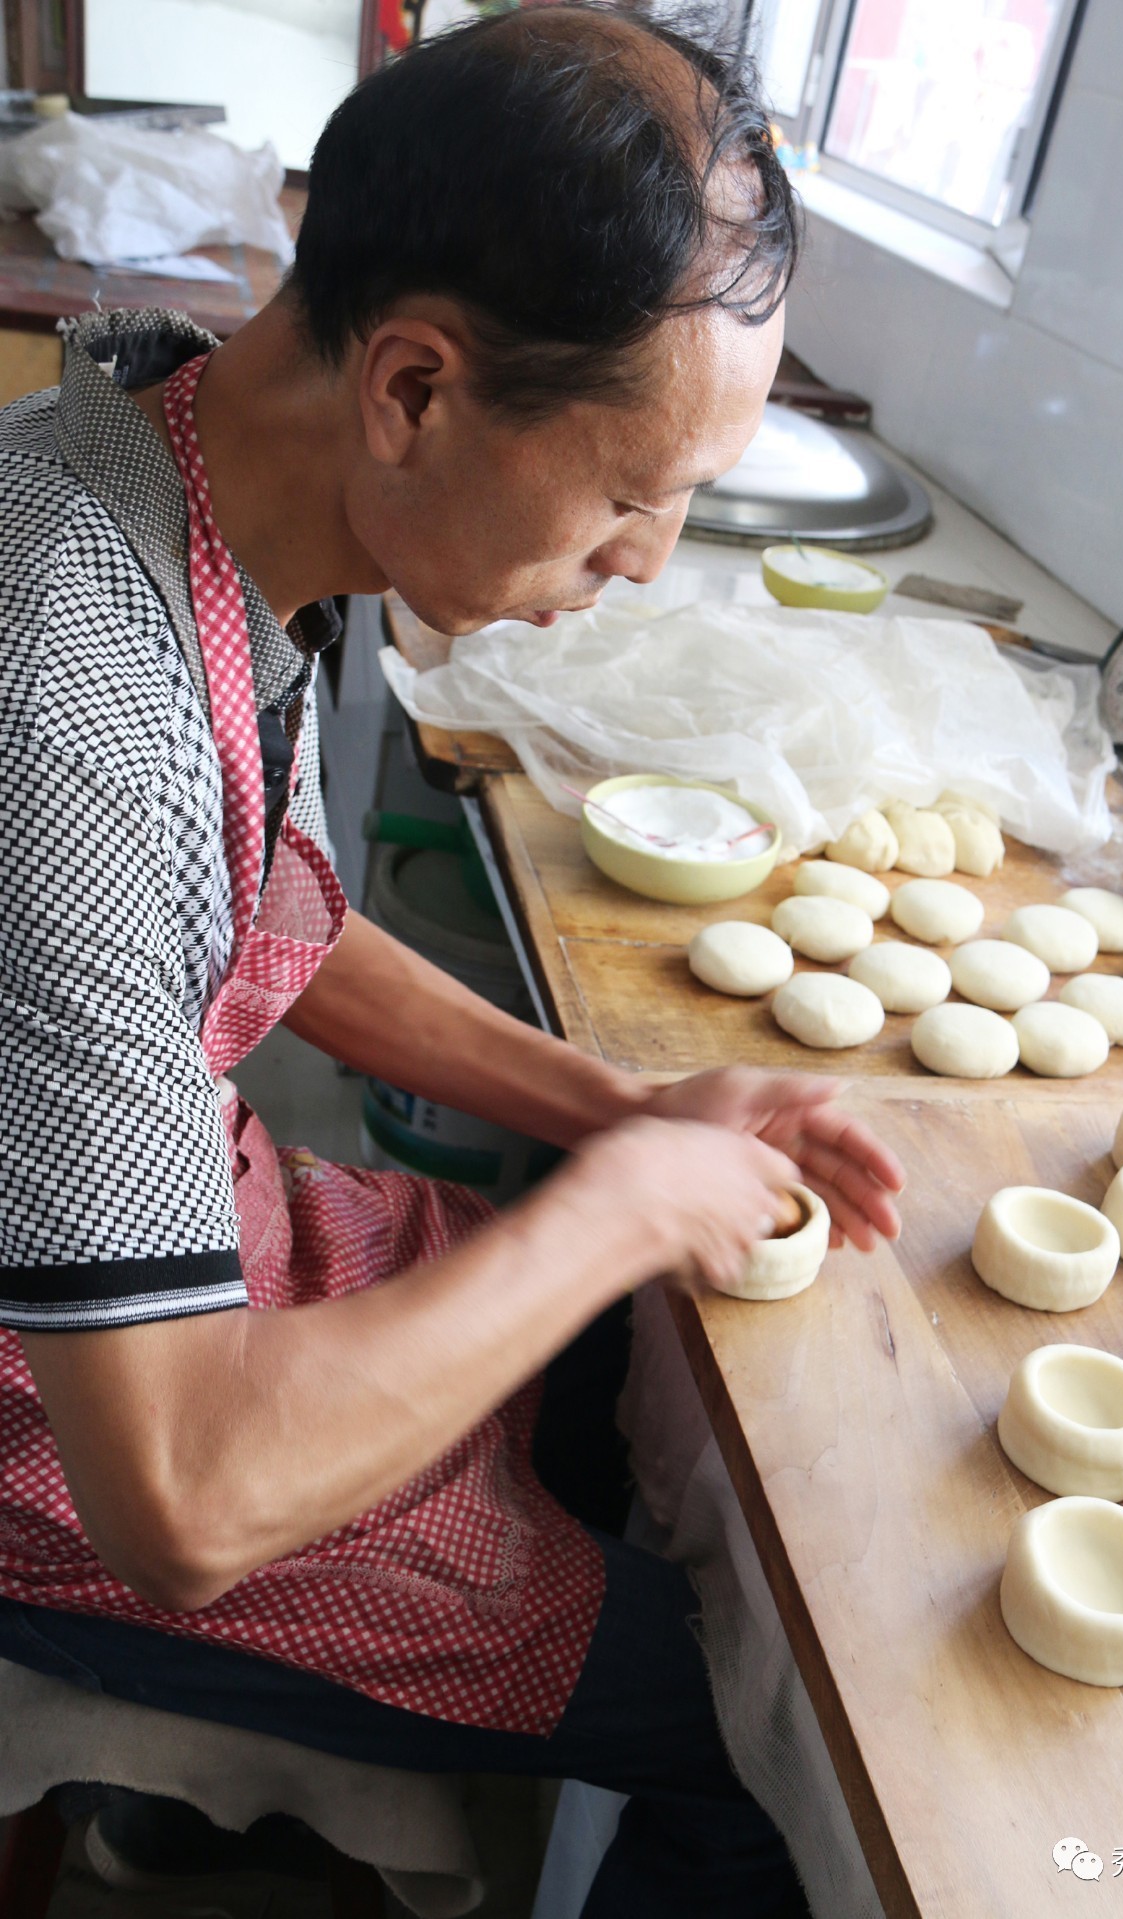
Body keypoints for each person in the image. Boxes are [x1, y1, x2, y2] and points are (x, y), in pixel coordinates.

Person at [0, 6, 905, 1912]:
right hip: (74, 1444)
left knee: (605, 1377)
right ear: (414, 389)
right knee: (761, 1718)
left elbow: (268, 917)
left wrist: (624, 1107)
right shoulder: (65, 704)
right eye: (629, 499)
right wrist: (623, 1203)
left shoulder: (197, 475)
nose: (651, 560)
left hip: (189, 1252)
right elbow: (180, 1497)